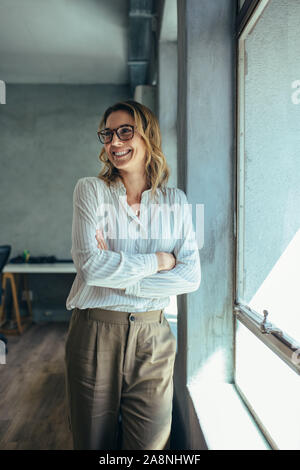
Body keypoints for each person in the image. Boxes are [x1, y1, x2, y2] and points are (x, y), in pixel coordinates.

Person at [64, 100, 201, 450]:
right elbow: (91, 267)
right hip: (94, 332)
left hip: (154, 337)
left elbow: (190, 277)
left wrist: (117, 271)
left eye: (126, 130)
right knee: (92, 444)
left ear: (148, 136)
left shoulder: (177, 202)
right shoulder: (90, 191)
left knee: (150, 446)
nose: (114, 141)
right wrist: (159, 260)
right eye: (107, 134)